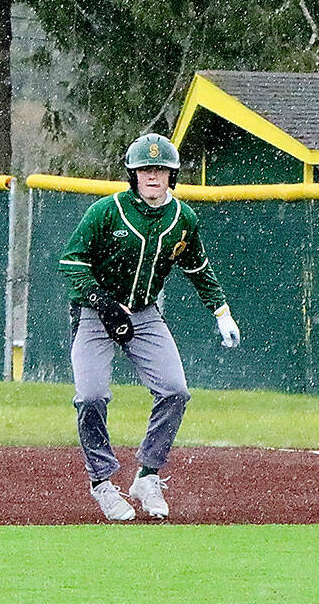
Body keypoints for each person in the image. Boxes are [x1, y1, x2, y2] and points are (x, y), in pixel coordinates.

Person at [59, 133, 241, 522]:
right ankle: (103, 483)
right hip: (95, 312)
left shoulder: (183, 218)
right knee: (91, 396)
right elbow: (72, 263)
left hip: (144, 312)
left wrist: (221, 311)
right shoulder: (107, 211)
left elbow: (197, 268)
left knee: (175, 391)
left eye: (160, 169)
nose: (153, 176)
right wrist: (102, 303)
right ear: (133, 174)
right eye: (145, 169)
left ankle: (147, 475)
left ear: (172, 176)